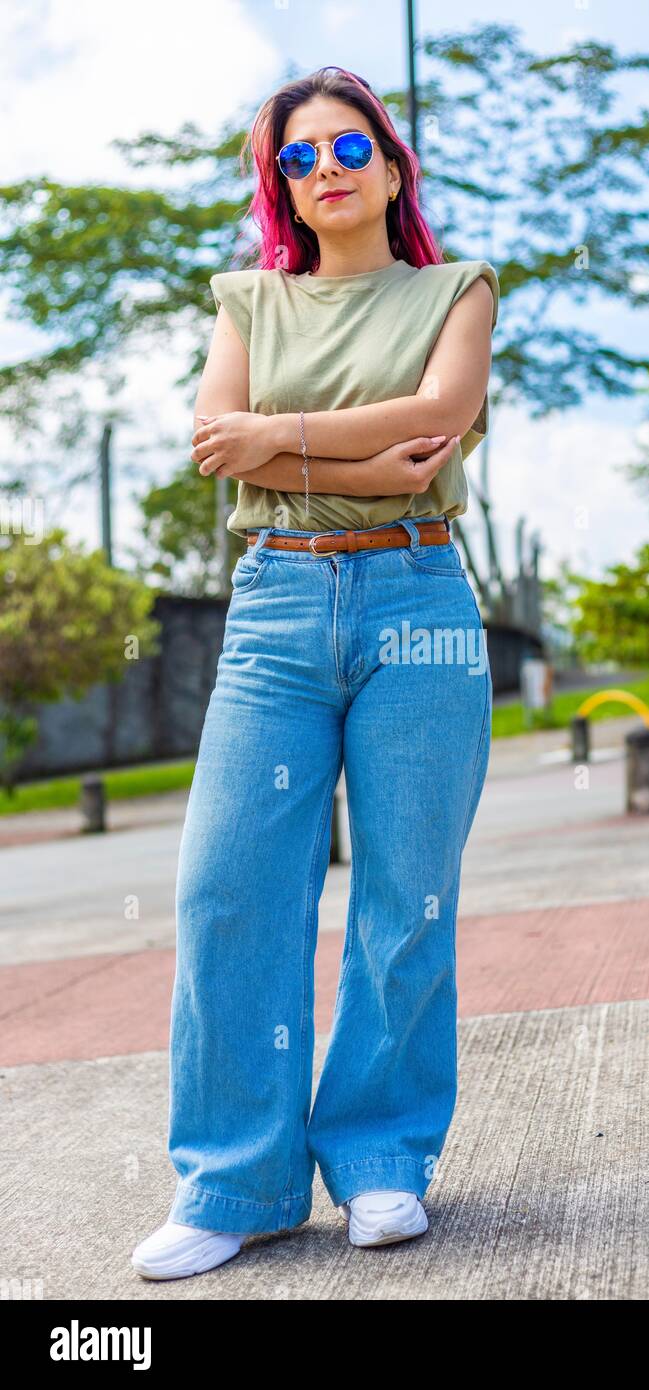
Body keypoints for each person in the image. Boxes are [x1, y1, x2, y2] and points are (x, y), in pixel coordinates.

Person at [131, 66, 499, 1280]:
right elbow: (209, 440)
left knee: (407, 897)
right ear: (279, 183)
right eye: (299, 158)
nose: (326, 170)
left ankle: (384, 1161)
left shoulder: (456, 290)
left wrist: (276, 442)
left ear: (392, 168)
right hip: (275, 605)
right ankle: (235, 1181)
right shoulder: (247, 299)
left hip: (420, 603)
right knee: (226, 892)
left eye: (349, 148)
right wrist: (363, 454)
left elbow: (436, 419)